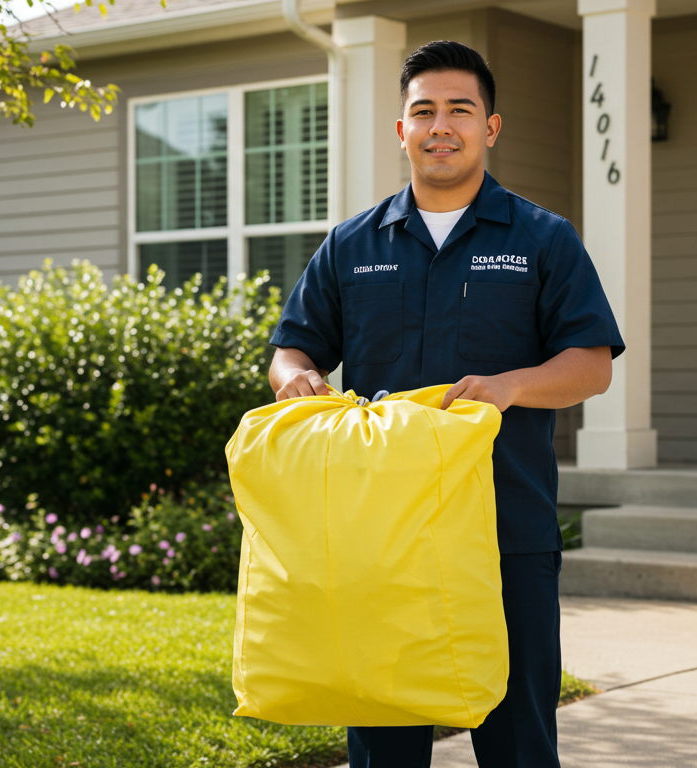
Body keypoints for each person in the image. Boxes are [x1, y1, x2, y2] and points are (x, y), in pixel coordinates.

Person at [267, 40, 625, 768]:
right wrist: (295, 379)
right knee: (383, 739)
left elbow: (591, 365)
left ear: (490, 127)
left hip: (505, 529)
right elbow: (291, 350)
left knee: (518, 734)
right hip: (380, 536)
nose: (440, 126)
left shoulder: (542, 240)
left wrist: (511, 386)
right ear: (401, 130)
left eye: (459, 109)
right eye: (422, 110)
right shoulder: (349, 246)